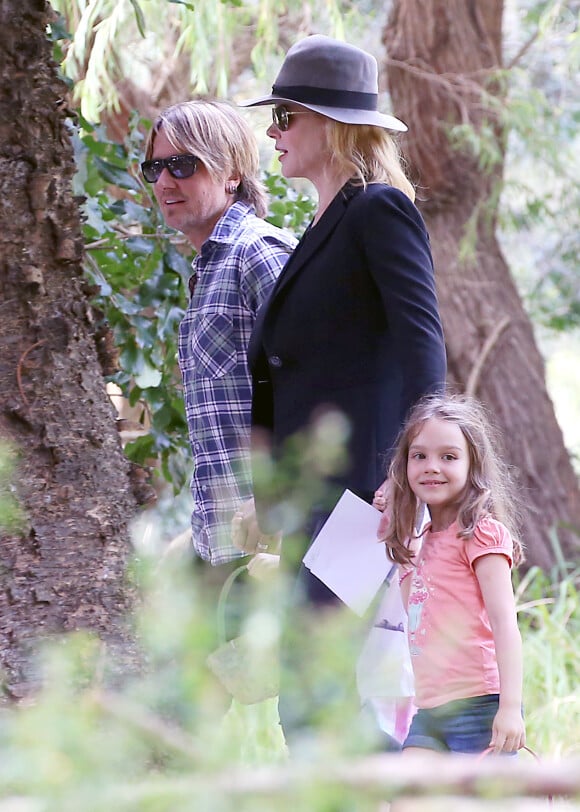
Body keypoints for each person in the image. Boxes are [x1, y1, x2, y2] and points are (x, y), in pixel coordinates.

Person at [235, 35, 447, 739]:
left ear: (333, 124)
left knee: (318, 690)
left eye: (286, 117)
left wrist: (410, 477)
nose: (272, 132)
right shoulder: (321, 225)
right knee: (312, 692)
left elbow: (423, 346)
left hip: (364, 499)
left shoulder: (378, 211)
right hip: (311, 503)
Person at [141, 100, 296, 574]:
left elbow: (315, 389)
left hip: (270, 541)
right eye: (155, 167)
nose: (166, 182)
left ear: (231, 172)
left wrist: (277, 507)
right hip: (224, 540)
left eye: (183, 165)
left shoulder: (258, 254)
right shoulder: (209, 266)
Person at [382, 393, 526, 755]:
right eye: (419, 456)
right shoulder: (415, 547)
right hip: (429, 711)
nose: (432, 466)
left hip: (479, 706)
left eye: (448, 456)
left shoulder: (481, 534)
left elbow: (506, 625)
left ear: (472, 466)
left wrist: (510, 709)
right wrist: (394, 515)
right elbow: (417, 623)